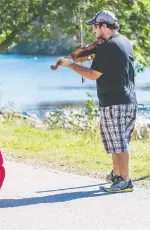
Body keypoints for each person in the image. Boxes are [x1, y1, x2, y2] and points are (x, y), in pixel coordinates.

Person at [53, 10, 136, 193]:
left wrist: (70, 64)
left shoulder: (108, 47)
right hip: (126, 99)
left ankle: (125, 180)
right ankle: (117, 175)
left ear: (104, 26)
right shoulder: (124, 41)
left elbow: (92, 74)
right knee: (116, 141)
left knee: (119, 142)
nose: (93, 32)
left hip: (115, 101)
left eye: (95, 27)